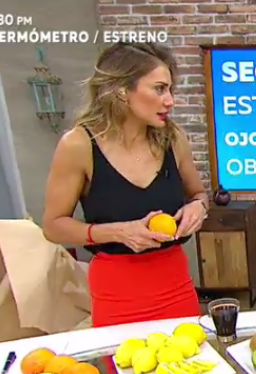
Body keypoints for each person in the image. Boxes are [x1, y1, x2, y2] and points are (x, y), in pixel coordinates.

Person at [41, 42, 207, 330]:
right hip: (117, 293)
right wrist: (119, 232)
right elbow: (53, 226)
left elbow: (199, 194)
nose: (170, 101)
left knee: (189, 357)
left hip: (176, 285)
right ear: (121, 90)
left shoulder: (173, 139)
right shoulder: (78, 145)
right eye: (159, 89)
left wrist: (199, 207)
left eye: (170, 89)